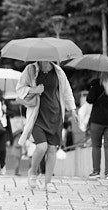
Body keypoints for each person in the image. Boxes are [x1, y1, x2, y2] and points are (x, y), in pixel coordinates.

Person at [16, 61, 76, 192]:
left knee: (52, 149)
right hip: (37, 115)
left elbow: (67, 91)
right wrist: (34, 90)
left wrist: (72, 109)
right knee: (41, 147)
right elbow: (19, 89)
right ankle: (33, 172)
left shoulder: (58, 71)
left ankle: (48, 182)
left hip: (55, 115)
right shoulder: (30, 70)